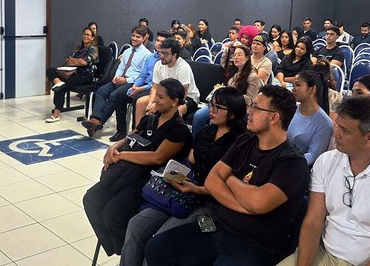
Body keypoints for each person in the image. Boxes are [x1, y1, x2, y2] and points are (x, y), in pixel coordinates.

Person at [144, 85, 310, 266]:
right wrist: (245, 203)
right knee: (157, 247)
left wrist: (229, 179)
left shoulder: (292, 162)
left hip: (255, 244)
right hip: (218, 226)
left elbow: (258, 203)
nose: (249, 111)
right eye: (251, 106)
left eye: (256, 107)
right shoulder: (245, 141)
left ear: (274, 118)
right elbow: (212, 180)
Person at [281, 97, 370, 266]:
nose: (336, 133)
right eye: (337, 125)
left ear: (369, 138)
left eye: (345, 131)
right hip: (324, 251)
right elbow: (313, 222)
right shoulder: (326, 161)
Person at [120, 87, 247, 266]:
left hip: (211, 202)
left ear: (233, 113)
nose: (211, 110)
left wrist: (197, 189)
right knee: (135, 226)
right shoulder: (206, 132)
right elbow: (190, 162)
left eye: (218, 107)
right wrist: (174, 174)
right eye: (211, 105)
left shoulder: (240, 142)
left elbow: (229, 185)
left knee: (161, 241)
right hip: (185, 193)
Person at [83, 78, 192, 259]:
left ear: (174, 101)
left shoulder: (178, 130)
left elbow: (157, 158)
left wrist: (122, 155)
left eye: (161, 97)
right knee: (91, 200)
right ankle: (120, 250)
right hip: (130, 171)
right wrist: (113, 149)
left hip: (153, 178)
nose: (155, 100)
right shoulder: (150, 119)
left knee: (113, 214)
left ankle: (130, 256)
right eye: (155, 95)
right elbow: (130, 137)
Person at [83, 25, 150, 139]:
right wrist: (116, 77)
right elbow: (121, 66)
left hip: (132, 83)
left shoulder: (146, 55)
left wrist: (126, 80)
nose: (134, 38)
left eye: (137, 37)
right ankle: (96, 119)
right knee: (101, 91)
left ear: (144, 38)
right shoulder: (128, 51)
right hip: (120, 79)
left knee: (114, 96)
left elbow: (142, 75)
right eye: (133, 35)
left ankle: (97, 124)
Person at [191, 44, 262, 138]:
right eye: (234, 55)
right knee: (198, 116)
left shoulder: (253, 77)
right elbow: (223, 63)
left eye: (239, 55)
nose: (236, 57)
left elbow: (250, 100)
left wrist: (231, 93)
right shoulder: (235, 71)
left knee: (211, 120)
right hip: (222, 103)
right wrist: (228, 48)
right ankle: (196, 143)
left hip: (234, 107)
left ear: (247, 57)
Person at [134, 39, 200, 122]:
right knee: (140, 103)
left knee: (176, 111)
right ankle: (138, 132)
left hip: (187, 98)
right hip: (164, 95)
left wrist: (159, 105)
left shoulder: (183, 67)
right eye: (161, 52)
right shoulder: (158, 64)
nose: (161, 56)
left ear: (174, 55)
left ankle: (168, 134)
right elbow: (155, 88)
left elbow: (183, 94)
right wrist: (151, 103)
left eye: (165, 53)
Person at [45, 27, 99, 122]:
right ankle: (57, 82)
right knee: (50, 70)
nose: (85, 36)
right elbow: (67, 60)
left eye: (88, 35)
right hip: (73, 71)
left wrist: (74, 61)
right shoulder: (79, 48)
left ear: (92, 38)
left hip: (86, 74)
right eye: (84, 34)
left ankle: (56, 113)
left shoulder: (94, 49)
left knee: (62, 86)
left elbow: (84, 63)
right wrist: (76, 61)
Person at [288, 70, 333, 166]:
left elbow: (313, 156)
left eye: (298, 85)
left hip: (296, 167)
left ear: (312, 89)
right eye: (293, 85)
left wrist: (286, 162)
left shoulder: (325, 123)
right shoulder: (290, 108)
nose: (293, 89)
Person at [128, 31, 170, 127]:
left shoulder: (164, 61)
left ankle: (138, 129)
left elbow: (157, 84)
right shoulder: (150, 57)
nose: (159, 43)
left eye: (162, 42)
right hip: (147, 86)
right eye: (157, 40)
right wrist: (135, 86)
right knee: (121, 94)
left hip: (156, 88)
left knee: (137, 100)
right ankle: (122, 131)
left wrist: (140, 89)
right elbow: (142, 75)